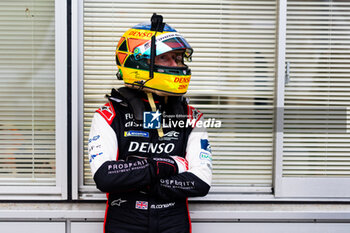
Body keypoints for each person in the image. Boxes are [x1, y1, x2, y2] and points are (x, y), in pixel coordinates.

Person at [88, 14, 212, 233]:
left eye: (178, 58)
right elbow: (105, 177)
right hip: (124, 221)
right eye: (167, 58)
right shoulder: (107, 115)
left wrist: (136, 177)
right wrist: (172, 165)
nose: (177, 65)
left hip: (173, 221)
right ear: (140, 62)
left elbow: (200, 182)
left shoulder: (191, 116)